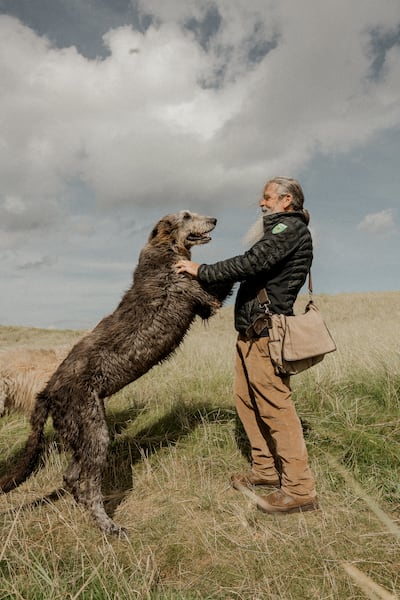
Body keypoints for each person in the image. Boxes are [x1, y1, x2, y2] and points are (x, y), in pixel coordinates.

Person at [175, 176, 318, 514]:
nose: (262, 203)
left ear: (286, 200)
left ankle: (300, 490)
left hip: (267, 335)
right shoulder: (279, 231)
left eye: (267, 197)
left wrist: (200, 270)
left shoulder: (289, 229)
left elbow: (251, 263)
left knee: (275, 408)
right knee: (248, 403)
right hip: (251, 335)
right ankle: (266, 471)